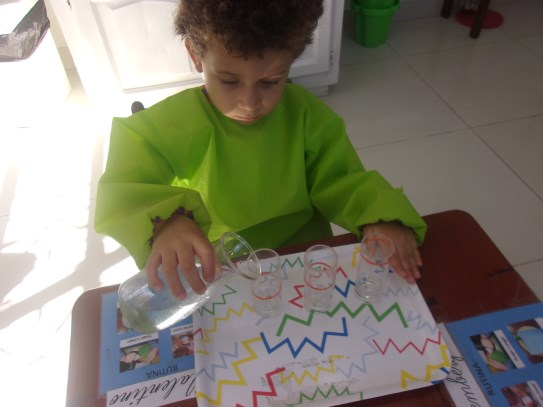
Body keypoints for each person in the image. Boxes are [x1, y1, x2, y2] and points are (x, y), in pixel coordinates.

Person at [95, 0, 427, 301]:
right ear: (195, 55)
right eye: (229, 81)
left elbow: (343, 180)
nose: (250, 103)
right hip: (217, 271)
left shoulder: (306, 116)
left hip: (301, 260)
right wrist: (168, 224)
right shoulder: (159, 129)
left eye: (270, 82)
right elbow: (127, 190)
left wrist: (379, 218)